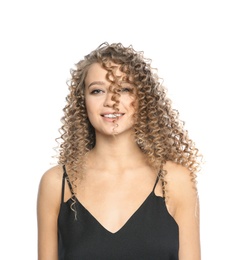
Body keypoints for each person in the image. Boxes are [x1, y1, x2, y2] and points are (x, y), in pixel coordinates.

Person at [37, 42, 202, 260]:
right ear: (82, 101)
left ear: (142, 98)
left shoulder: (175, 181)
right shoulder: (57, 183)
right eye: (97, 90)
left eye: (123, 89)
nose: (111, 101)